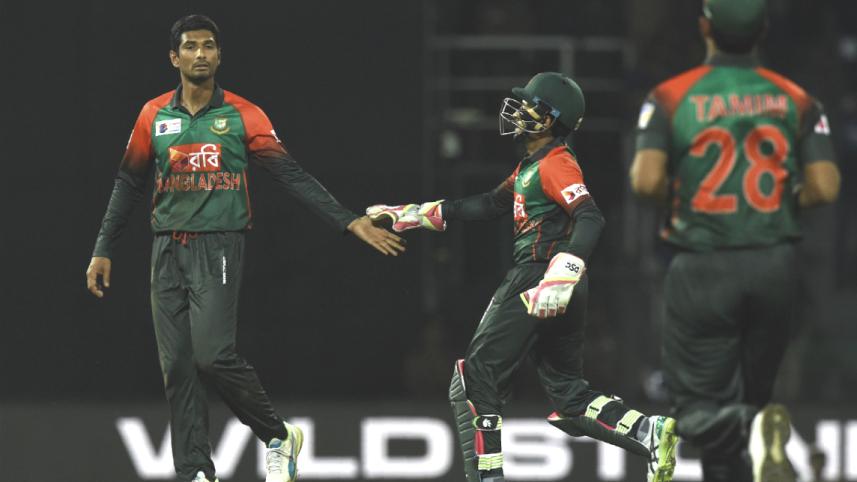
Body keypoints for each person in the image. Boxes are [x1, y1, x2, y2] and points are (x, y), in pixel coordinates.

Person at [84, 14, 405, 482]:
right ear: (174, 58)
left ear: (218, 55)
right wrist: (102, 247)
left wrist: (347, 220)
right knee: (177, 369)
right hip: (165, 251)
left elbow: (290, 174)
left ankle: (278, 436)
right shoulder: (153, 115)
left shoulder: (242, 115)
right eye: (190, 47)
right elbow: (128, 182)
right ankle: (196, 471)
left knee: (212, 355)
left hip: (218, 247)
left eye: (208, 46)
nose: (200, 54)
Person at [368, 72, 679, 482]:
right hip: (560, 282)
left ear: (549, 119)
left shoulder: (556, 163)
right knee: (568, 394)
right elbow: (486, 204)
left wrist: (561, 272)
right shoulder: (530, 168)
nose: (519, 111)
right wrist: (409, 215)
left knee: (475, 377)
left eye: (530, 105)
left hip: (540, 274)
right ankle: (647, 431)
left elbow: (590, 216)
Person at [629, 0, 841, 481]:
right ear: (764, 29)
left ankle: (750, 424)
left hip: (703, 263)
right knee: (750, 393)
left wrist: (687, 196)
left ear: (704, 27)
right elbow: (826, 186)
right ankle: (757, 424)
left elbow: (644, 182)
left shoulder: (669, 96)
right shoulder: (798, 98)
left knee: (703, 410)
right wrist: (776, 204)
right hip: (774, 263)